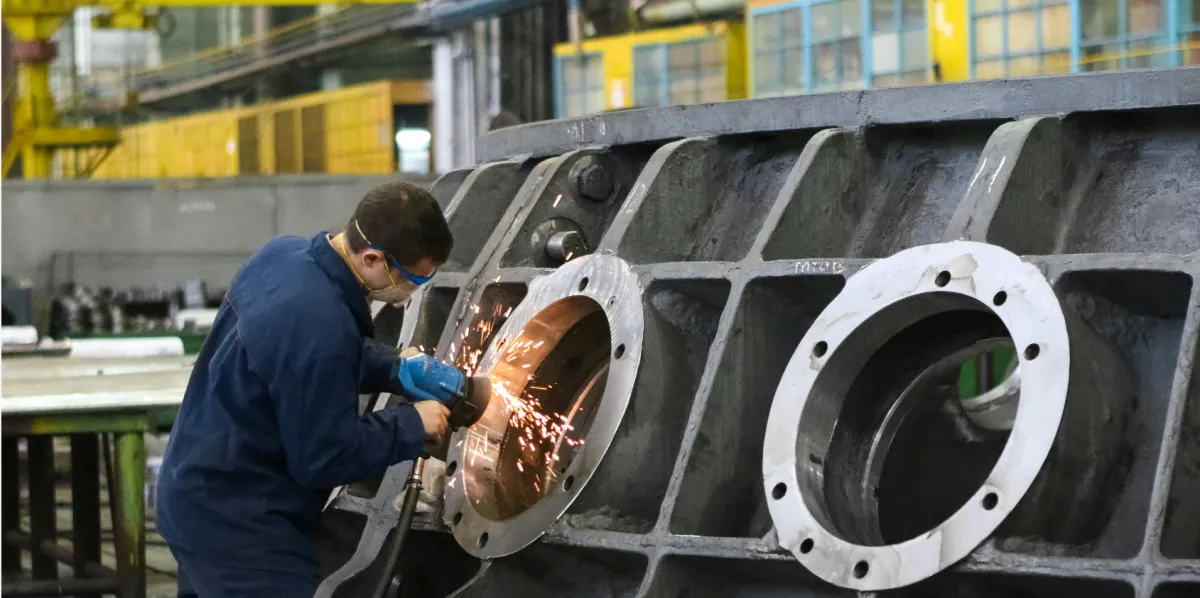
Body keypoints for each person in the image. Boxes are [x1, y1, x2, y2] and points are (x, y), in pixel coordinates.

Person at [157, 181, 454, 597]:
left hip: (197, 488)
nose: (411, 293)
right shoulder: (320, 324)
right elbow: (324, 456)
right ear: (373, 258)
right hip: (240, 524)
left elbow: (295, 357)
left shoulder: (283, 255)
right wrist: (410, 425)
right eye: (412, 280)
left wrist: (395, 368)